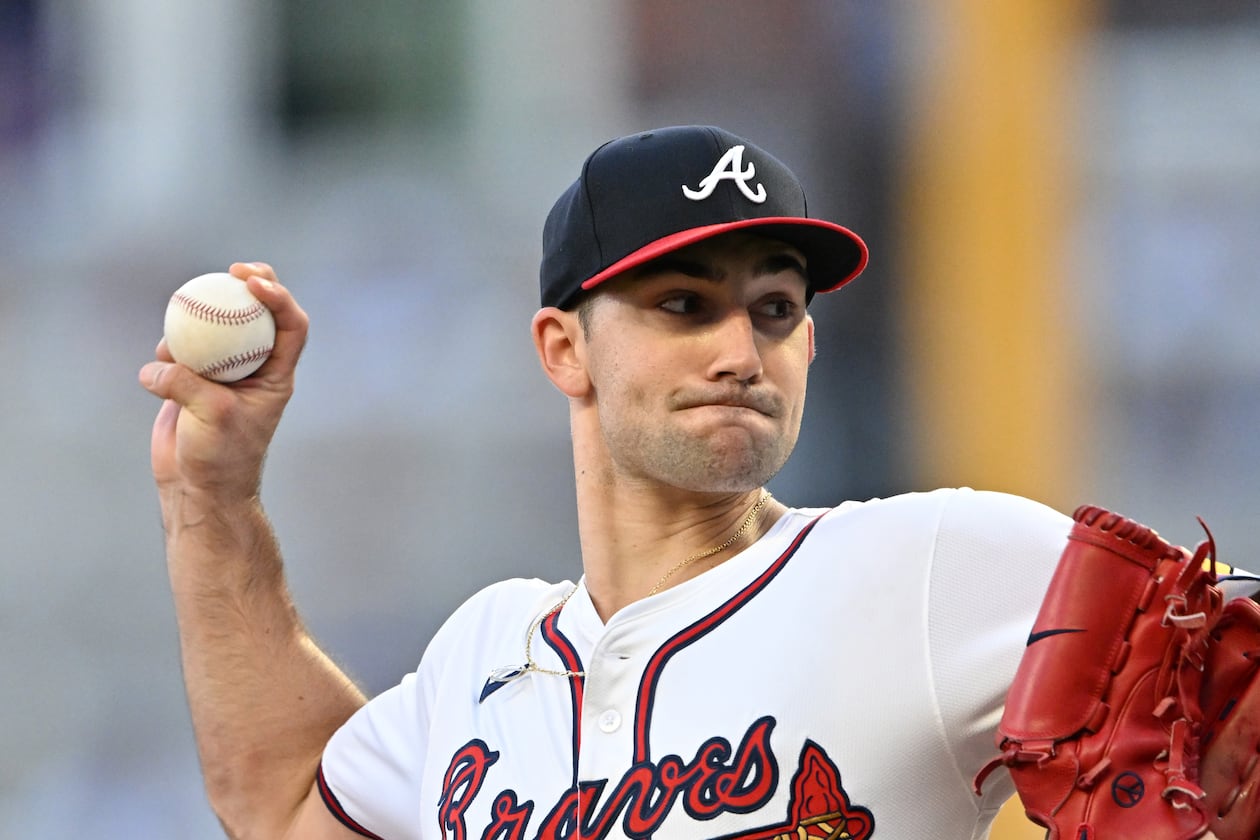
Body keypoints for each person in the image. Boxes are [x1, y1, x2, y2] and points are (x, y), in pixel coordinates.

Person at [137, 125, 1233, 840]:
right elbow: (283, 805)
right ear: (563, 348)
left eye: (774, 309)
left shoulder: (937, 564)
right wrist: (210, 504)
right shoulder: (485, 652)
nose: (739, 352)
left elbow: (1224, 667)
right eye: (683, 305)